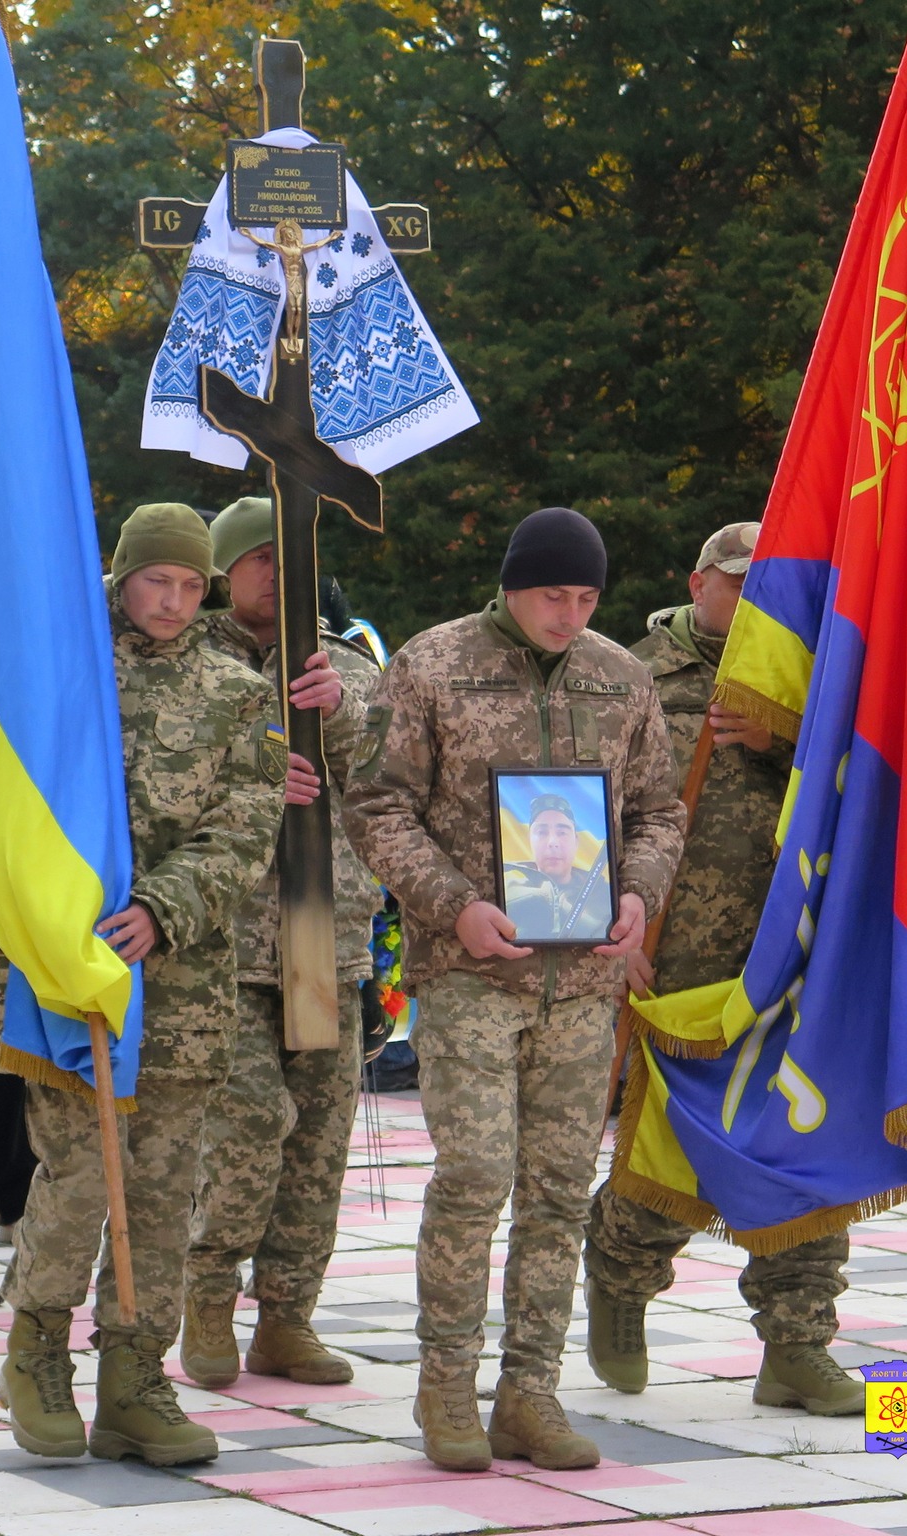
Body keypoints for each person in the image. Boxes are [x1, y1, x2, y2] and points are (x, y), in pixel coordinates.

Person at [345, 506, 685, 1473]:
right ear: (511, 584)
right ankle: (447, 1385)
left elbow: (660, 810)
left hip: (582, 983)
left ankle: (529, 1393)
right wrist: (452, 907)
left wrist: (637, 893)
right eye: (552, 595)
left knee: (558, 1191)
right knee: (475, 1177)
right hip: (471, 974)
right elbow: (376, 803)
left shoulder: (622, 679)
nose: (569, 615)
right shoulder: (433, 665)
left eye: (586, 598)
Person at [0, 504, 284, 1466]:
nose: (174, 600)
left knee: (160, 1192)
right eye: (158, 580)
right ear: (121, 578)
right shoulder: (64, 678)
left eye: (193, 585)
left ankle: (135, 1375)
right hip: (70, 971)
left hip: (182, 985)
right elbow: (16, 801)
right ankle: (37, 1354)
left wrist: (164, 905)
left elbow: (247, 826)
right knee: (78, 1176)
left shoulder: (238, 693)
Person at [580, 522, 862, 1416]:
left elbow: (863, 798)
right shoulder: (627, 678)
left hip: (793, 958)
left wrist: (787, 737)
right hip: (675, 963)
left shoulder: (820, 684)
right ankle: (620, 1271)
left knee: (800, 1149)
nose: (750, 604)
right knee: (679, 1147)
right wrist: (610, 934)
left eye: (766, 588)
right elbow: (580, 813)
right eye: (737, 584)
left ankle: (798, 1345)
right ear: (696, 582)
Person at [178, 496, 381, 1393]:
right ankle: (207, 1296)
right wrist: (261, 763)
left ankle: (288, 1317)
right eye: (259, 557)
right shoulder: (187, 660)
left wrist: (338, 711)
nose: (277, 572)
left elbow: (386, 773)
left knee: (319, 1145)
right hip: (221, 943)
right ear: (223, 572)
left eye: (290, 555)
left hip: (323, 939)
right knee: (249, 1128)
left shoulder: (346, 665)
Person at [501, 792, 614, 942]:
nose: (552, 842)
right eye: (542, 832)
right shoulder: (506, 892)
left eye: (562, 833)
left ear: (576, 841)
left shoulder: (606, 895)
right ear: (530, 840)